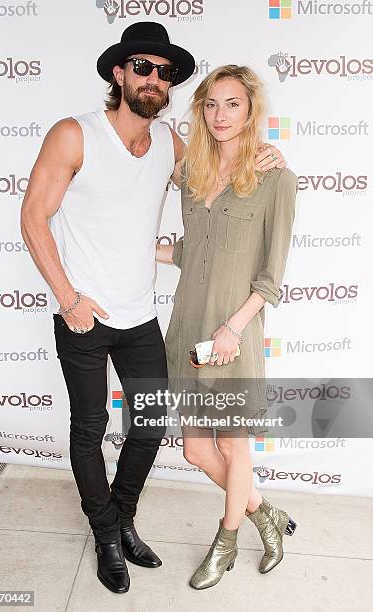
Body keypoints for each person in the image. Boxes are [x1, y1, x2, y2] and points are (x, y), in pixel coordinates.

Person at [21, 21, 285, 594]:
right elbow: (32, 217)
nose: (153, 78)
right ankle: (106, 534)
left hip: (141, 317)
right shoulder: (75, 134)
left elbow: (220, 175)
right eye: (142, 67)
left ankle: (123, 520)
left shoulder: (169, 142)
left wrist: (260, 153)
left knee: (146, 428)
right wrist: (68, 299)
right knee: (89, 428)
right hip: (83, 316)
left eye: (164, 72)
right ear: (118, 73)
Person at [157, 65, 298, 590]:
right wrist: (138, 251)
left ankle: (227, 540)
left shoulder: (275, 178)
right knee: (196, 448)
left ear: (250, 109)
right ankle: (266, 515)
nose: (220, 115)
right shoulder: (190, 175)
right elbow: (192, 250)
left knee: (236, 447)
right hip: (188, 328)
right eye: (211, 104)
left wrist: (233, 328)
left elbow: (270, 277)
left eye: (232, 104)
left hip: (232, 337)